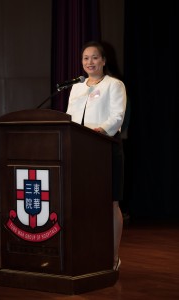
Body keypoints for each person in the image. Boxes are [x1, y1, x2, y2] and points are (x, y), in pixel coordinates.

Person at [66, 41, 127, 271]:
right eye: (85, 58)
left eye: (94, 58)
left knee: (110, 203)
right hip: (80, 150)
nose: (89, 62)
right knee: (82, 202)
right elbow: (69, 118)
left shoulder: (115, 85)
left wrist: (97, 131)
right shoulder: (77, 87)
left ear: (103, 60)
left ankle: (112, 257)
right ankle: (87, 253)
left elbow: (117, 117)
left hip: (105, 147)